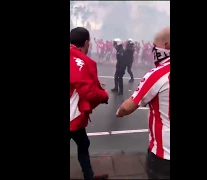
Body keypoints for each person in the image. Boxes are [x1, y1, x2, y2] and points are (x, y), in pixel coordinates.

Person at [115, 27, 170, 179]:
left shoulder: (158, 74)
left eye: (155, 45)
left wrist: (119, 112)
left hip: (164, 154)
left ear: (166, 46)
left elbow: (129, 106)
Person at [70, 27, 109, 180]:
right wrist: (103, 95)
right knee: (83, 143)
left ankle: (89, 175)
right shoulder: (79, 60)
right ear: (86, 43)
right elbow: (88, 92)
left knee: (84, 143)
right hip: (72, 117)